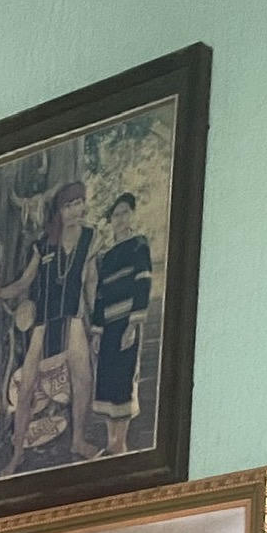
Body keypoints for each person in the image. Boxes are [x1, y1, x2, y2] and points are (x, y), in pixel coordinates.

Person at [0, 179, 97, 475]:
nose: (75, 210)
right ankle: (17, 454)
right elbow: (24, 282)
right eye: (68, 206)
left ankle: (78, 441)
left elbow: (91, 282)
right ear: (59, 211)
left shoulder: (90, 238)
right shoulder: (44, 243)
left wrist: (97, 325)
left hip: (73, 317)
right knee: (26, 388)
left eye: (78, 203)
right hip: (42, 321)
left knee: (83, 379)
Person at [88, 193, 154, 456]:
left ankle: (121, 443)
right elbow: (100, 295)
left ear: (131, 215)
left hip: (126, 323)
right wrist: (97, 332)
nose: (120, 218)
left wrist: (133, 325)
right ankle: (110, 442)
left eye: (125, 212)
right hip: (108, 327)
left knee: (125, 378)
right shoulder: (105, 256)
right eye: (116, 215)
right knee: (107, 378)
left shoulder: (138, 245)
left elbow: (143, 281)